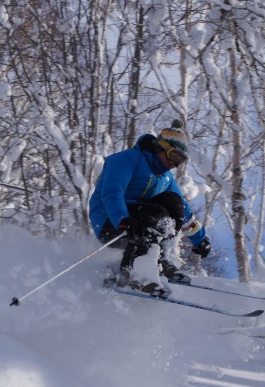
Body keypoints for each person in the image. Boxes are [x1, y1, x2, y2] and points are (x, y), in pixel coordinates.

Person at [89, 119, 211, 296]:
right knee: (156, 213)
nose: (174, 164)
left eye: (181, 161)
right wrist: (122, 219)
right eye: (173, 156)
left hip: (139, 223)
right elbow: (112, 192)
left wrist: (200, 239)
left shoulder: (165, 178)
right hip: (111, 221)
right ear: (160, 147)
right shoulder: (128, 159)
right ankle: (133, 271)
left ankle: (158, 260)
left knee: (173, 202)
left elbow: (183, 210)